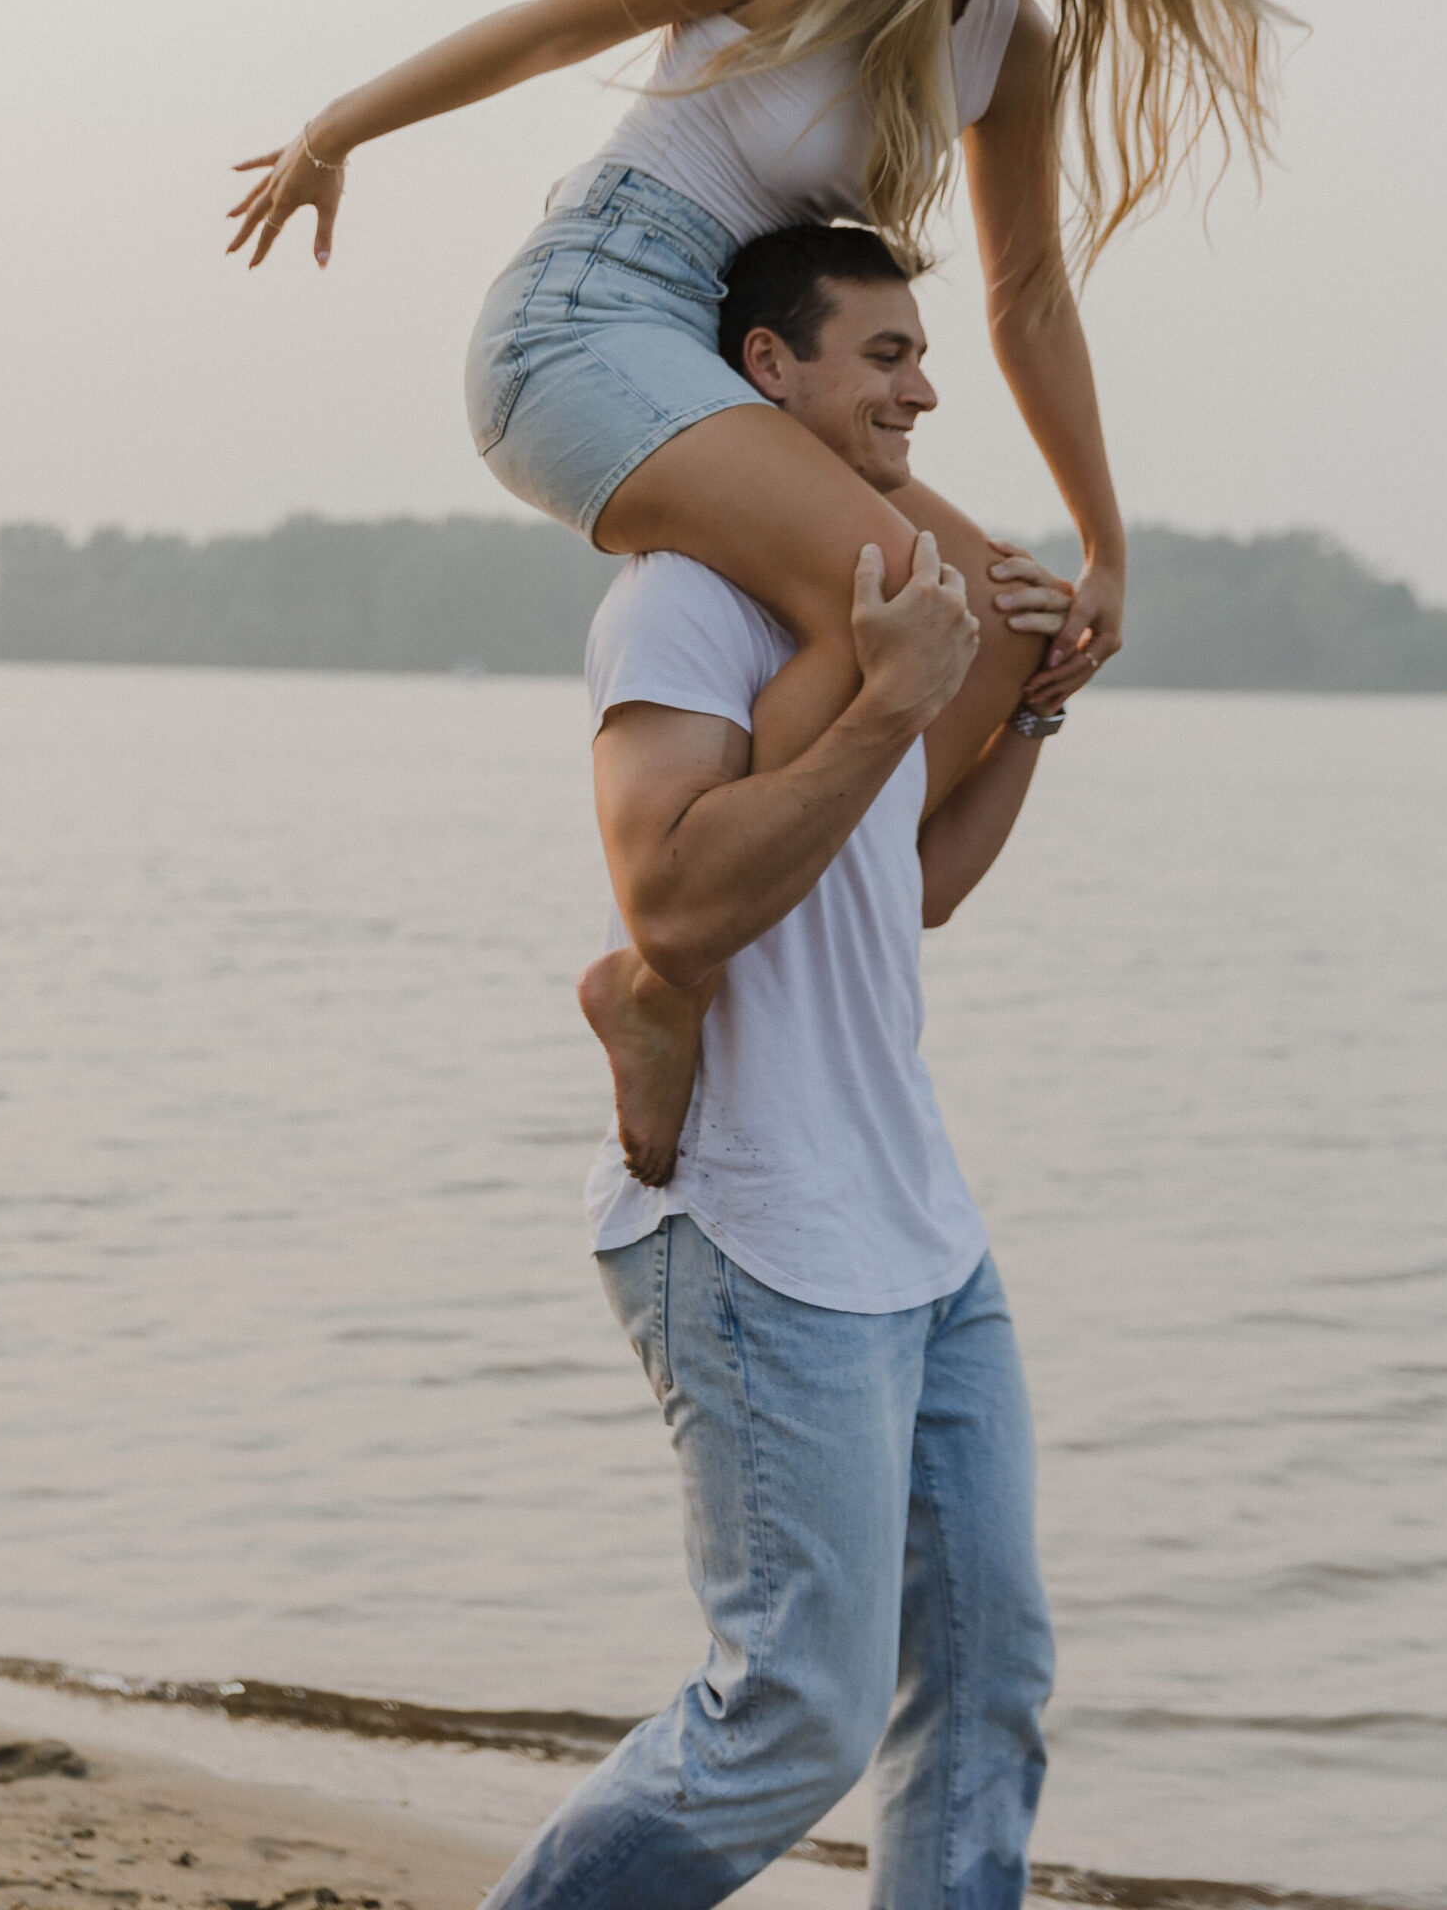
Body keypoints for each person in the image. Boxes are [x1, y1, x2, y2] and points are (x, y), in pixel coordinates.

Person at [227, 0, 1284, 1177]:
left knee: (995, 621)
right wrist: (336, 129)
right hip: (585, 322)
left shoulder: (1007, 42)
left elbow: (1031, 294)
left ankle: (805, 889)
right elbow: (554, 28)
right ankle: (663, 976)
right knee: (902, 591)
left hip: (731, 353)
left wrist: (1106, 540)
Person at [481, 224, 1072, 1910]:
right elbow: (672, 903)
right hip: (754, 1232)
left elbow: (915, 893)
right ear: (767, 373)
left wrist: (1019, 718)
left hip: (921, 1228)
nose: (924, 388)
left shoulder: (875, 605)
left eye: (920, 355)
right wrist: (889, 708)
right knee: (789, 1723)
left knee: (985, 1686)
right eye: (883, 354)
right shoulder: (683, 601)